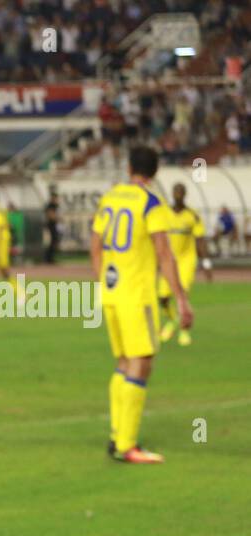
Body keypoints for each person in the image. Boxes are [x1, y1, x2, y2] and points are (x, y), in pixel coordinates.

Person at [91, 146, 192, 464]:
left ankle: (116, 435)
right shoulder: (151, 203)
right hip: (137, 295)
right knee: (142, 361)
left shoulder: (110, 198)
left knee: (123, 362)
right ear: (155, 173)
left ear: (128, 167)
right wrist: (181, 299)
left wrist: (103, 280)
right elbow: (164, 253)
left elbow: (94, 244)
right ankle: (127, 445)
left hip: (111, 292)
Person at [158, 182, 213, 347]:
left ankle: (184, 331)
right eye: (176, 192)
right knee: (162, 298)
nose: (178, 195)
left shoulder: (192, 216)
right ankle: (173, 319)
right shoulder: (164, 213)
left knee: (183, 297)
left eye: (181, 192)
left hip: (185, 260)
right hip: (168, 260)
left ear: (185, 195)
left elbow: (200, 240)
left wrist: (206, 263)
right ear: (172, 194)